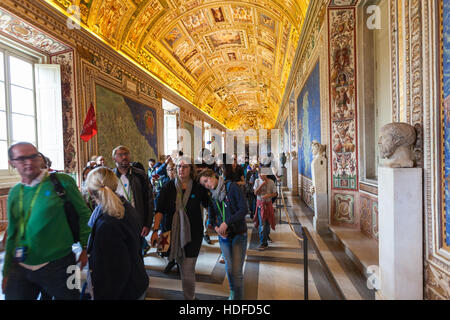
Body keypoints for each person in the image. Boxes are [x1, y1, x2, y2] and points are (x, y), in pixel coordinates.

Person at [2, 142, 91, 299]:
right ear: (12, 163)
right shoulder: (15, 192)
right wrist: (6, 270)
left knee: (72, 297)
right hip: (21, 265)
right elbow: (12, 234)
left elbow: (84, 214)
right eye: (22, 159)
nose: (29, 162)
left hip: (62, 263)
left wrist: (85, 248)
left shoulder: (62, 181)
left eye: (33, 156)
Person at [85, 167, 149, 299]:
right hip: (136, 281)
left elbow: (116, 272)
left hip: (124, 291)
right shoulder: (124, 205)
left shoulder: (107, 223)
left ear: (90, 191)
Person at [151, 156, 210, 300]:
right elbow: (159, 210)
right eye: (178, 167)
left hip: (193, 234)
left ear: (191, 170)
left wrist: (212, 223)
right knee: (182, 265)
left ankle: (190, 298)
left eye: (184, 167)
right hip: (172, 233)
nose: (181, 169)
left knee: (187, 268)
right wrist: (155, 230)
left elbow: (209, 205)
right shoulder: (168, 187)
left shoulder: (198, 187)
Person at [198, 169, 248, 300]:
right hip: (224, 236)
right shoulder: (211, 196)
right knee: (229, 268)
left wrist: (227, 222)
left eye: (206, 181)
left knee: (236, 272)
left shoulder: (232, 187)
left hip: (238, 233)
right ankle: (232, 292)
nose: (206, 185)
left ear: (213, 176)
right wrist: (216, 228)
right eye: (203, 184)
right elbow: (211, 217)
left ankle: (238, 299)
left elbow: (244, 209)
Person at [112, 146, 154, 256]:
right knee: (120, 254)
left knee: (137, 255)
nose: (124, 157)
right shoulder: (110, 177)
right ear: (114, 159)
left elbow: (149, 201)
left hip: (136, 221)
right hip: (117, 222)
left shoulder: (140, 175)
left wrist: (147, 224)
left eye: (126, 154)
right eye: (120, 155)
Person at [253, 170, 277, 251]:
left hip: (268, 204)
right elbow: (255, 193)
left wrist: (269, 195)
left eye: (262, 173)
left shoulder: (271, 182)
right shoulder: (257, 181)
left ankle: (266, 236)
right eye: (259, 173)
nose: (260, 175)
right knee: (262, 223)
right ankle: (263, 242)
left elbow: (275, 193)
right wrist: (262, 184)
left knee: (268, 222)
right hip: (260, 205)